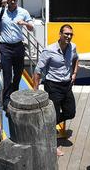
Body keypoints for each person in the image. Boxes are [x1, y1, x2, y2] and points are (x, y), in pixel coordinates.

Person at [32, 24, 79, 157]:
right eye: (66, 34)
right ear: (60, 34)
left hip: (66, 85)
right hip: (53, 86)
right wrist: (35, 91)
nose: (69, 36)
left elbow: (76, 59)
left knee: (70, 112)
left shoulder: (73, 47)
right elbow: (38, 70)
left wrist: (74, 73)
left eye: (70, 34)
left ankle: (46, 125)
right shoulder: (49, 50)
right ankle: (52, 146)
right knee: (55, 116)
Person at [0, 0, 33, 108]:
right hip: (5, 47)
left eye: (15, 0)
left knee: (18, 73)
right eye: (10, 0)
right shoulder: (1, 11)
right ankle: (6, 100)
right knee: (7, 75)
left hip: (18, 46)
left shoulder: (23, 12)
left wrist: (25, 23)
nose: (13, 2)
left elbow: (31, 28)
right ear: (6, 0)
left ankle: (15, 92)